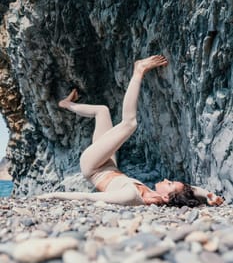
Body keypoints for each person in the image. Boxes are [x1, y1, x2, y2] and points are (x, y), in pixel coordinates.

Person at [38, 55, 224, 207]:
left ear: (166, 197)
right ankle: (67, 104)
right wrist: (209, 195)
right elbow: (190, 190)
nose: (166, 179)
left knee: (130, 123)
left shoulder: (131, 196)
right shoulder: (158, 196)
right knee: (101, 111)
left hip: (93, 167)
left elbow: (87, 198)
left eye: (168, 184)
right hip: (109, 163)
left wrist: (48, 196)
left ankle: (139, 70)